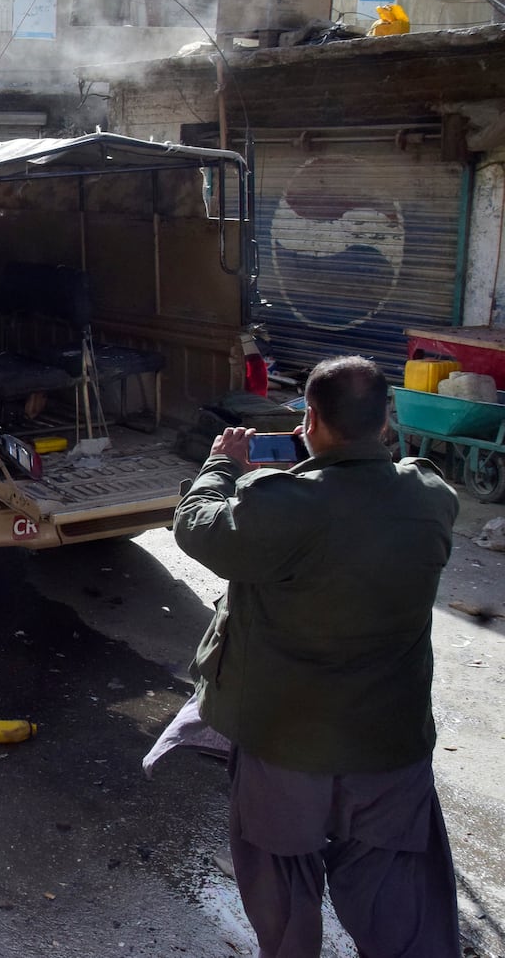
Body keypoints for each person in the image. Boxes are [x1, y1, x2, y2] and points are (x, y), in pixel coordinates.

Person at [172, 356, 461, 958]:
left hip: (283, 745)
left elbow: (197, 526)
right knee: (399, 901)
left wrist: (222, 466)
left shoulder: (279, 505)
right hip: (390, 745)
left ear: (309, 420)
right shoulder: (431, 496)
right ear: (387, 420)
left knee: (282, 890)